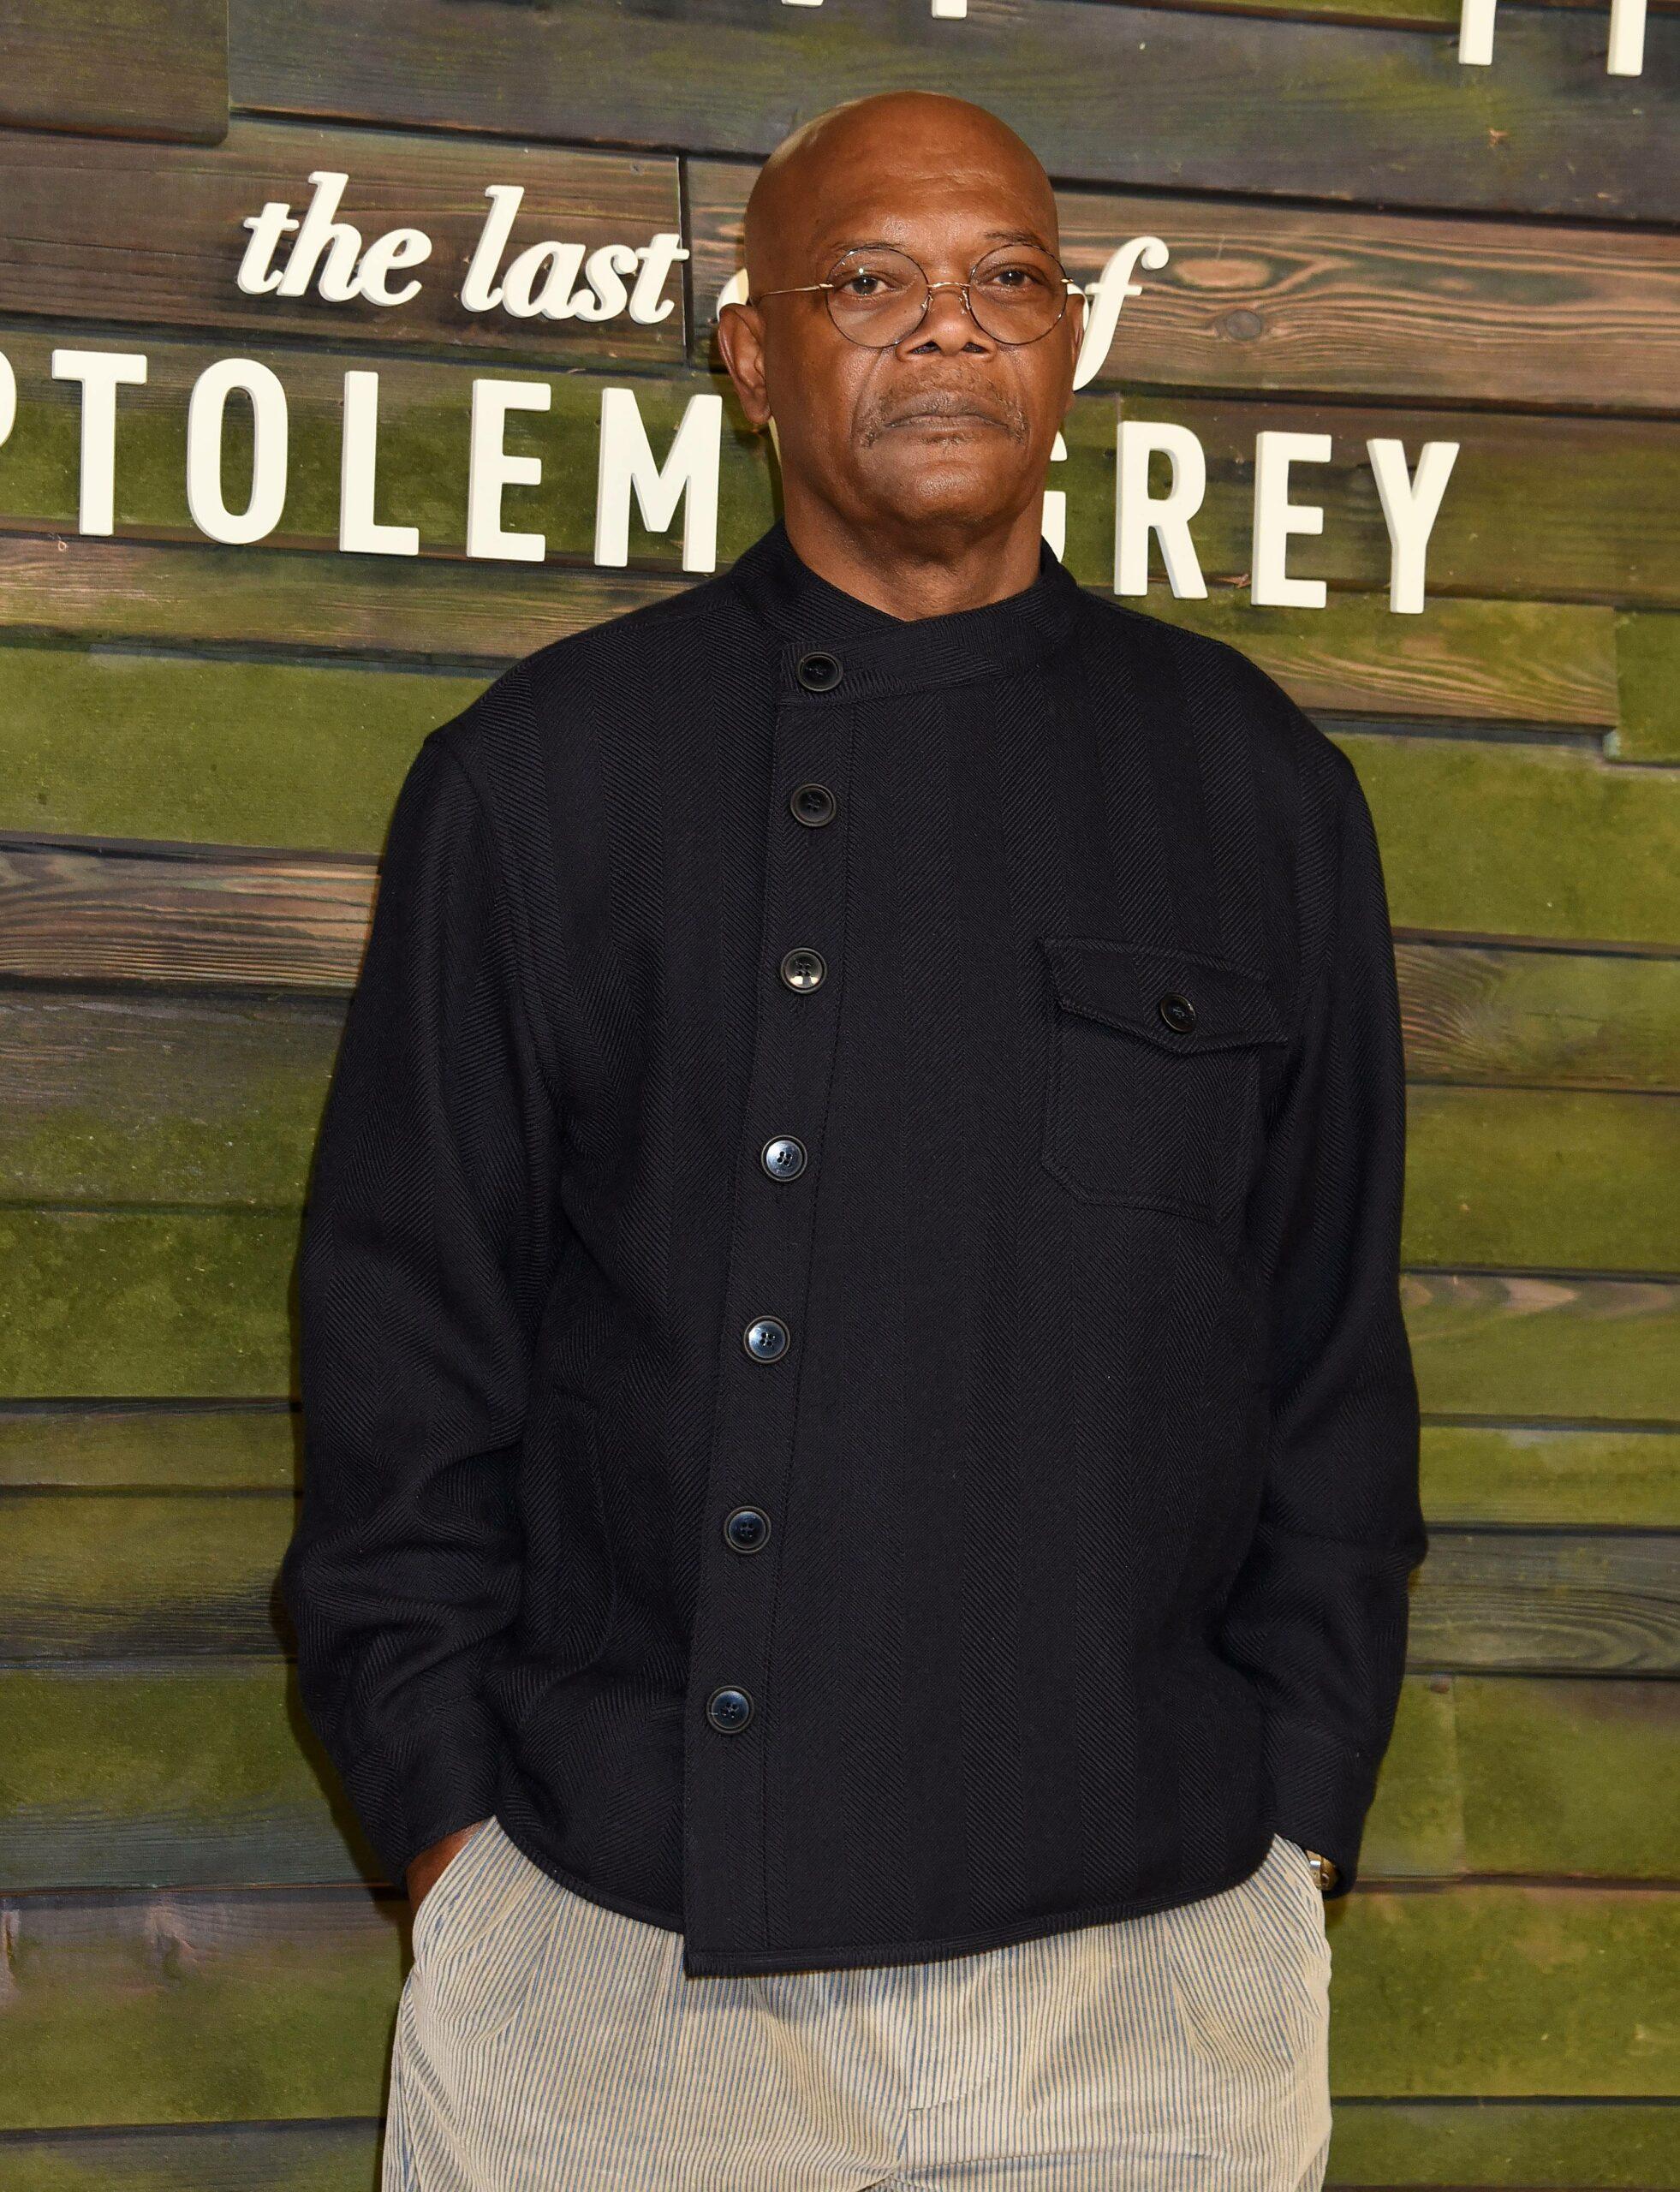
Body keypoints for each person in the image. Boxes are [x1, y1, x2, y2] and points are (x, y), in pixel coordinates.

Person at [281, 87, 1427, 2192]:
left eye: (1008, 280)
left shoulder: (1256, 787)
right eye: (871, 283)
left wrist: (1297, 1829)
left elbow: (1331, 1354)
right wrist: (463, 1848)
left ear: (1070, 343)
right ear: (753, 351)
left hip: (1152, 1974)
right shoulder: (544, 783)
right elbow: (400, 1365)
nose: (949, 331)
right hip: (630, 1960)